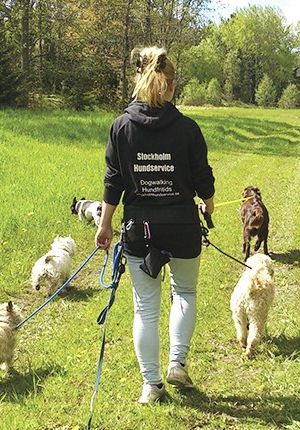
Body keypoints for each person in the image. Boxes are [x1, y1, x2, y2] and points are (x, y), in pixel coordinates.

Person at [94, 46, 215, 404]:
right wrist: (208, 206)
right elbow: (202, 177)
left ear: (139, 80)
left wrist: (105, 225)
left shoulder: (121, 127)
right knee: (185, 293)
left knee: (145, 308)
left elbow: (113, 181)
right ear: (172, 84)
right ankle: (178, 363)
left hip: (139, 229)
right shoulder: (188, 129)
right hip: (182, 226)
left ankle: (152, 385)